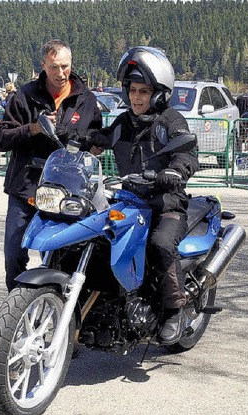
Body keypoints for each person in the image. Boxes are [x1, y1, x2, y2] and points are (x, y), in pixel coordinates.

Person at [84, 46, 199, 345]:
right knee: (96, 237)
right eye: (133, 90)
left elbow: (187, 152)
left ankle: (176, 309)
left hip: (165, 204)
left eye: (144, 91)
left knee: (161, 244)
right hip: (130, 201)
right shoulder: (124, 122)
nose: (136, 97)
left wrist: (175, 172)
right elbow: (104, 138)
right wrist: (83, 141)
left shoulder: (171, 121)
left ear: (159, 94)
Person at [0, 39, 103, 292]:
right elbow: (1, 139)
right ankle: (16, 308)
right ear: (43, 65)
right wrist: (33, 128)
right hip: (27, 188)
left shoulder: (86, 99)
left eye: (65, 66)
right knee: (14, 256)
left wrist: (97, 146)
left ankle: (58, 314)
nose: (61, 73)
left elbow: (95, 137)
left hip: (69, 192)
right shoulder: (24, 95)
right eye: (54, 67)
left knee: (62, 257)